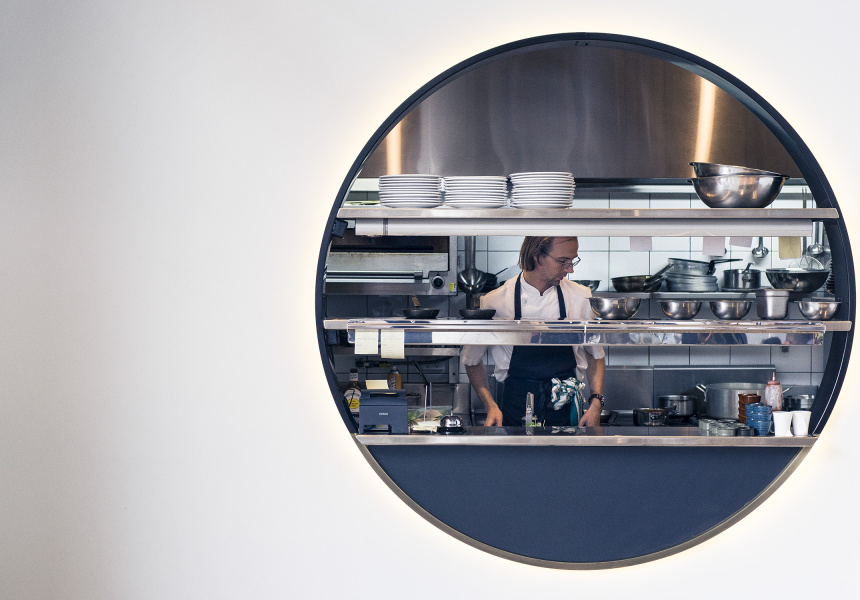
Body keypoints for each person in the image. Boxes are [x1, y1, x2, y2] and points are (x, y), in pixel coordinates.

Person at [462, 236, 606, 427]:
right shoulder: (495, 301)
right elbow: (471, 360)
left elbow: (595, 354)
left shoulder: (581, 297)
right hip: (516, 407)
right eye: (563, 261)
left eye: (573, 261)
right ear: (536, 256)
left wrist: (596, 404)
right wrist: (490, 406)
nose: (570, 269)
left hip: (567, 409)